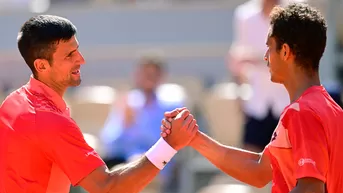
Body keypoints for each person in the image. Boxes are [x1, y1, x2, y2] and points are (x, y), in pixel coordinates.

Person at [0, 15, 198, 193]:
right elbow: (108, 187)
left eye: (77, 50)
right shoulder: (50, 120)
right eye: (70, 55)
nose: (81, 60)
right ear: (41, 65)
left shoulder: (12, 102)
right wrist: (169, 145)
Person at [162, 3, 343, 192]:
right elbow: (259, 170)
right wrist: (193, 138)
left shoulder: (302, 112)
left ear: (285, 52)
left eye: (269, 47)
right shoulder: (330, 108)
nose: (265, 56)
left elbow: (310, 188)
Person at [100, 53, 184, 191]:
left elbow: (168, 141)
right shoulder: (128, 102)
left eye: (153, 75)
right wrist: (125, 124)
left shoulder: (171, 104)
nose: (148, 79)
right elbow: (109, 142)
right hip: (126, 163)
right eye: (145, 74)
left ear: (161, 77)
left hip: (159, 163)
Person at [228, 0, 289, 153]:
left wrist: (257, 60)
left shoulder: (295, 10)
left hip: (288, 102)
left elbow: (292, 58)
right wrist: (239, 94)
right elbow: (237, 58)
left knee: (290, 163)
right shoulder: (244, 15)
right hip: (256, 102)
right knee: (251, 160)